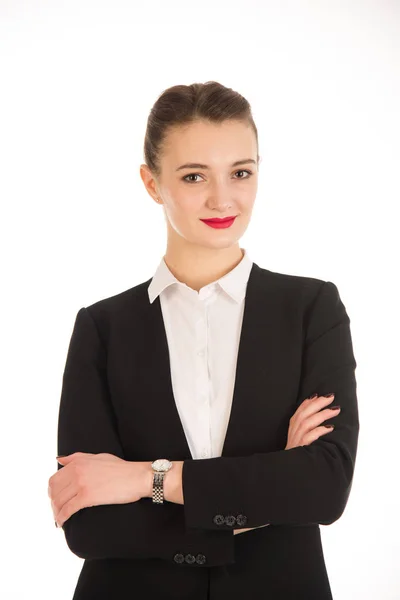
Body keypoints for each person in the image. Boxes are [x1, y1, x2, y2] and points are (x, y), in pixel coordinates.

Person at [49, 81, 359, 599]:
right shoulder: (102, 327)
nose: (223, 198)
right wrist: (266, 490)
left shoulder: (311, 309)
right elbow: (88, 524)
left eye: (241, 172)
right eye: (194, 176)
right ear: (152, 184)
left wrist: (146, 480)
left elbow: (323, 489)